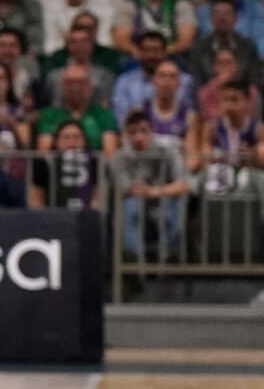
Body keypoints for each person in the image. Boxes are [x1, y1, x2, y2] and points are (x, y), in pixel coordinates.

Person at [113, 110, 190, 259]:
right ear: (126, 135)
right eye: (132, 132)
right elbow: (123, 188)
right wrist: (138, 190)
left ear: (152, 131)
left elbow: (184, 184)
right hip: (137, 199)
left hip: (164, 196)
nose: (138, 137)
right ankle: (133, 261)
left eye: (143, 131)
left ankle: (170, 261)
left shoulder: (168, 149)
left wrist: (155, 191)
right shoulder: (120, 156)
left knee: (176, 206)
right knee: (130, 207)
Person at [37, 63, 121, 156]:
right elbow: (44, 155)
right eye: (70, 83)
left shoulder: (105, 115)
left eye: (80, 82)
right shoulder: (49, 116)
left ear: (90, 86)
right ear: (62, 87)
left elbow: (110, 155)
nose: (75, 87)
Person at [30, 120, 101, 209]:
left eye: (76, 137)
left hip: (85, 218)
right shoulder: (44, 163)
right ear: (56, 141)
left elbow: (98, 195)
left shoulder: (95, 162)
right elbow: (36, 199)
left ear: (85, 141)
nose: (71, 141)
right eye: (66, 137)